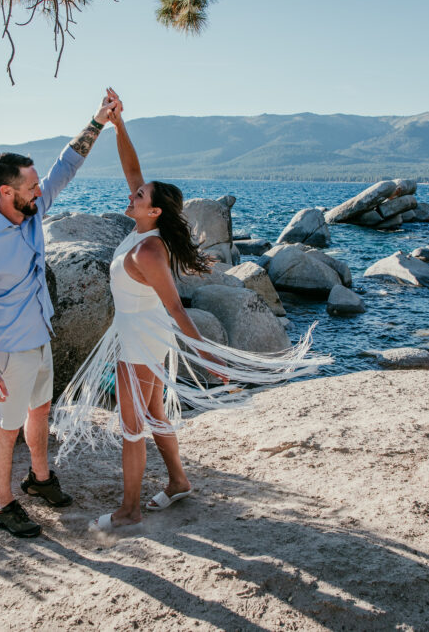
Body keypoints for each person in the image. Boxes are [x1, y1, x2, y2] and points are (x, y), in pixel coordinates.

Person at [51, 89, 331, 530]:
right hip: (136, 333)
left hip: (142, 339)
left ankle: (129, 510)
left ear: (154, 210)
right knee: (155, 414)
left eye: (138, 195)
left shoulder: (149, 252)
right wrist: (118, 126)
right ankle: (178, 481)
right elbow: (133, 168)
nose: (132, 192)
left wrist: (208, 356)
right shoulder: (144, 228)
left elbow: (179, 311)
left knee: (132, 424)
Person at [0, 93, 117, 538]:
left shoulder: (32, 212)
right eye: (30, 187)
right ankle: (4, 505)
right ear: (6, 192)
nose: (39, 191)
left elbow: (64, 168)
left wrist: (97, 121)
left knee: (40, 410)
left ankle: (39, 479)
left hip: (40, 337)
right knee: (5, 431)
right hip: (8, 351)